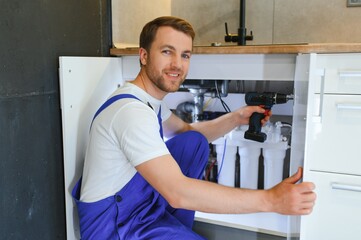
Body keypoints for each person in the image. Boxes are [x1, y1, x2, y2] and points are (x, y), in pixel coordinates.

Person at [72, 16, 316, 240]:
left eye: (185, 55)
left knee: (193, 142)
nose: (177, 64)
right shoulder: (130, 112)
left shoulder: (147, 100)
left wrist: (236, 118)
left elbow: (186, 131)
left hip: (140, 211)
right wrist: (271, 200)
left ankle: (175, 231)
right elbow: (179, 193)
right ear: (144, 55)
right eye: (167, 52)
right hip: (114, 228)